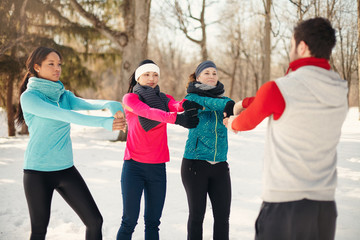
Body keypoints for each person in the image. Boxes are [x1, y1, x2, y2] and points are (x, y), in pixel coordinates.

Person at [224, 17, 348, 240]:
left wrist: (231, 122)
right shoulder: (339, 90)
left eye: (291, 45)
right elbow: (289, 101)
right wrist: (247, 102)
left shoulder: (280, 88)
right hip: (324, 208)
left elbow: (247, 121)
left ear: (302, 47)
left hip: (284, 206)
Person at [15, 46, 126, 240]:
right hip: (37, 173)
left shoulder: (63, 95)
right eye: (51, 64)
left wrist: (111, 104)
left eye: (59, 64)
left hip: (66, 169)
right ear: (37, 67)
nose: (57, 68)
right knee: (39, 231)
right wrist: (105, 123)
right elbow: (64, 115)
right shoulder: (30, 98)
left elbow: (89, 104)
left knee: (94, 221)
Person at [117, 59, 202, 240]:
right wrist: (178, 119)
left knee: (153, 223)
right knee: (129, 221)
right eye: (147, 74)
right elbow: (148, 112)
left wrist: (188, 103)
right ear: (138, 76)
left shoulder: (164, 99)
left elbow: (176, 104)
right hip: (134, 167)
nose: (151, 78)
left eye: (155, 74)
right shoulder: (130, 98)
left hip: (157, 168)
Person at [181, 60, 235, 240]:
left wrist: (231, 105)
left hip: (220, 165)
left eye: (214, 73)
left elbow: (229, 105)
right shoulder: (191, 98)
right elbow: (208, 103)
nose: (211, 76)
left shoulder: (225, 100)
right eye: (207, 73)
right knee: (197, 216)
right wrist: (228, 105)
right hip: (195, 164)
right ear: (198, 77)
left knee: (222, 218)